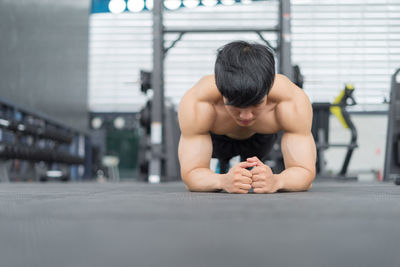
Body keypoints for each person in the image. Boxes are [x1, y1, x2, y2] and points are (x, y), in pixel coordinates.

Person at [177, 40, 316, 194]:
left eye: (256, 104)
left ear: (269, 89)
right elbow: (191, 175)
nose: (246, 116)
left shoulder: (290, 100)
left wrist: (277, 181)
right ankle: (224, 166)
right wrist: (221, 180)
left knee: (255, 173)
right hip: (218, 139)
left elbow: (305, 172)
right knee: (221, 172)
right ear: (220, 89)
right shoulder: (199, 102)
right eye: (235, 105)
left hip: (261, 139)